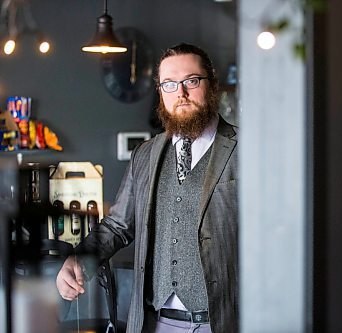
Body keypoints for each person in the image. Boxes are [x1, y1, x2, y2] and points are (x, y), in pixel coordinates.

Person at [55, 43, 238, 333]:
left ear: (212, 85)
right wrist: (80, 259)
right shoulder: (145, 154)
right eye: (169, 84)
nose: (181, 93)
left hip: (222, 322)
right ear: (161, 92)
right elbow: (117, 225)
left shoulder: (246, 150)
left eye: (191, 81)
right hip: (155, 322)